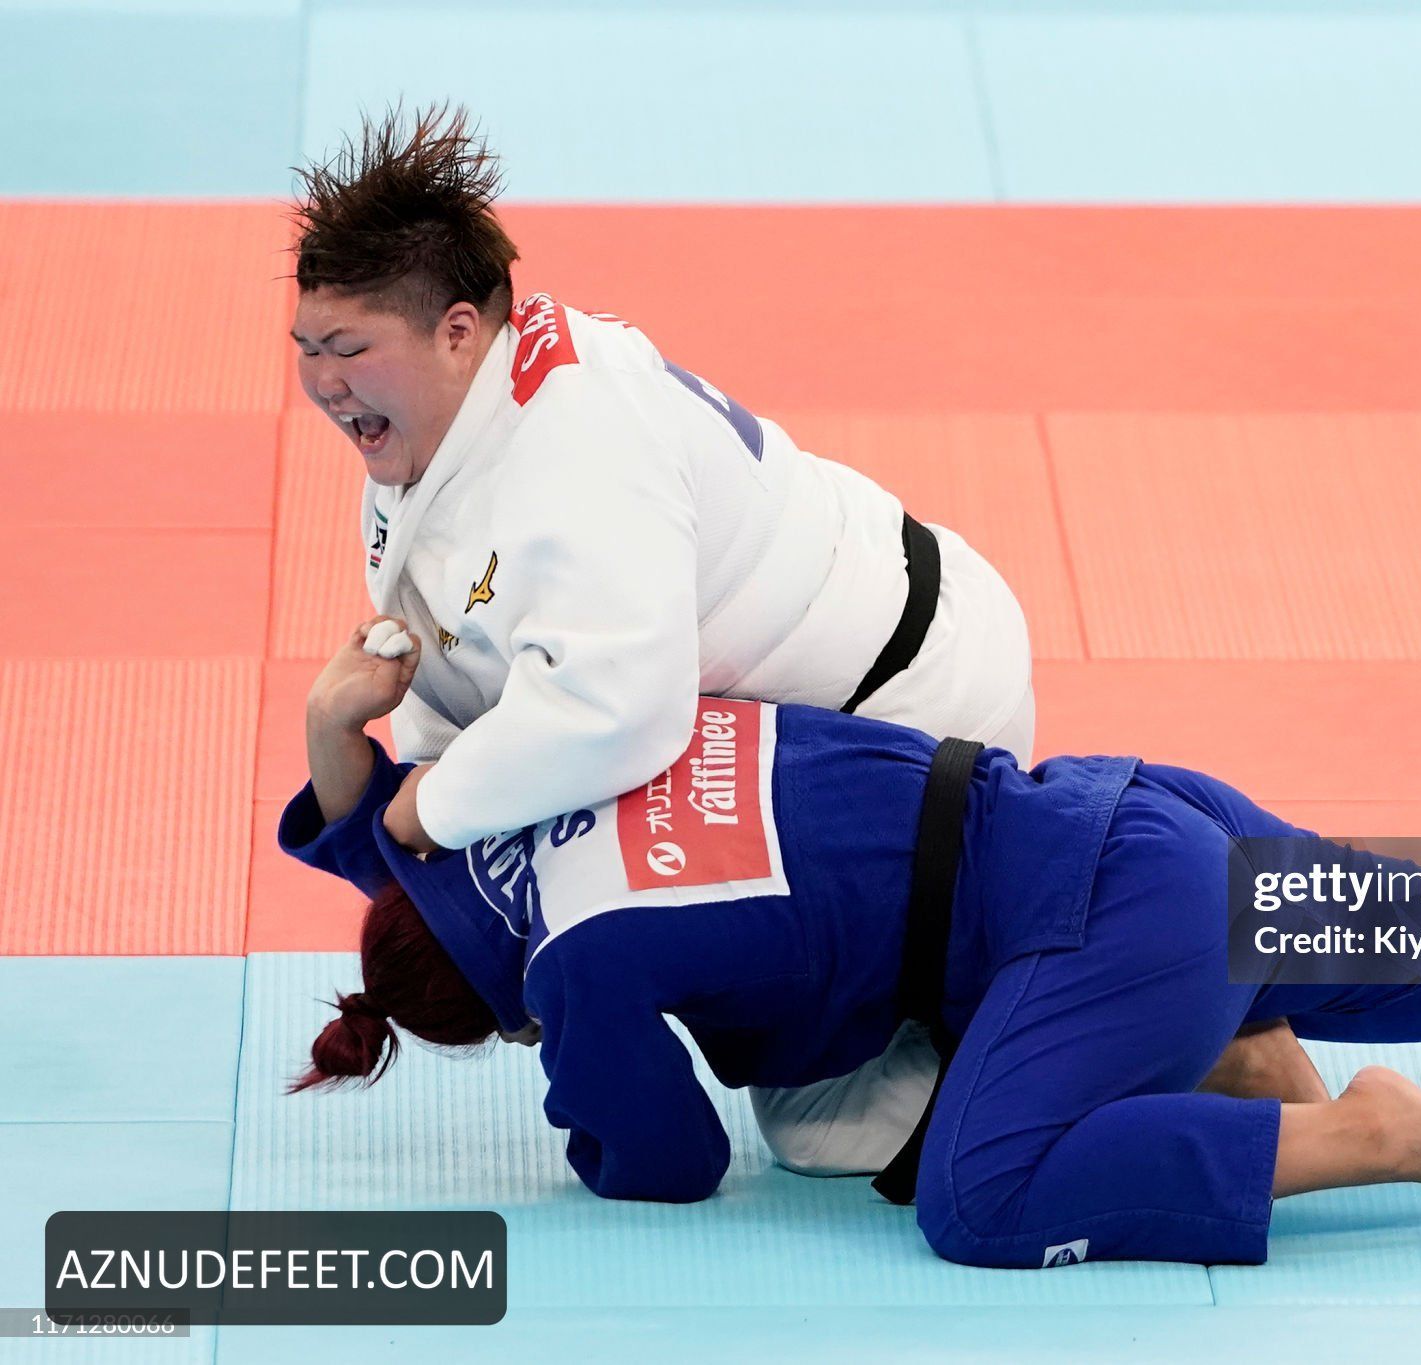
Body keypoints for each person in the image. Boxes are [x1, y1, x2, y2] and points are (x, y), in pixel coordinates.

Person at [284, 572, 1421, 1267]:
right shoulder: (570, 749)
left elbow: (658, 1163)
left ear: (499, 1003)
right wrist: (331, 743)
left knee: (978, 1199)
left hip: (1096, 935)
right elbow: (401, 858)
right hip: (1125, 813)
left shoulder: (571, 968)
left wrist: (568, 1068)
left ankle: (1345, 1137)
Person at [287, 104, 1033, 1174]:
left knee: (834, 1128)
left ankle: (1142, 1008)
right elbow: (478, 738)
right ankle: (1107, 949)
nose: (324, 381)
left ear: (455, 331)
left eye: (350, 350)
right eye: (307, 349)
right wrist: (369, 771)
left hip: (909, 703)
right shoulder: (438, 439)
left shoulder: (576, 448)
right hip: (787, 718)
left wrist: (429, 809)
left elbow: (618, 714)